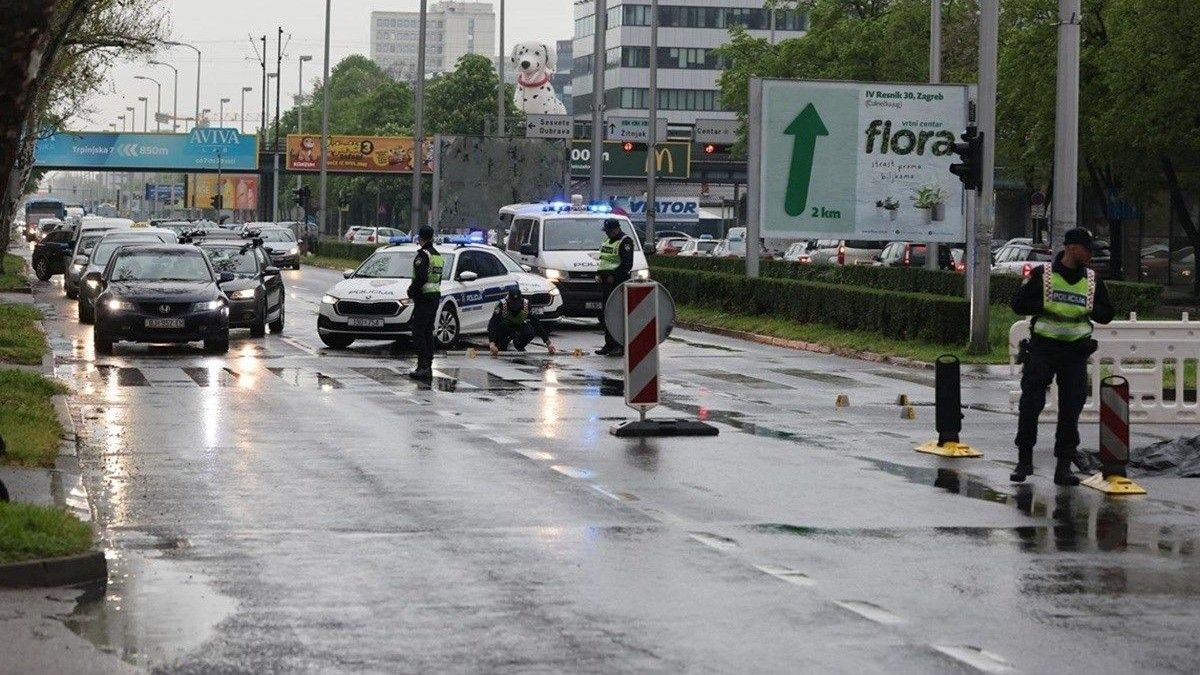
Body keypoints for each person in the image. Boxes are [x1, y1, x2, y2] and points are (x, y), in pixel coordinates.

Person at [1010, 227, 1115, 485]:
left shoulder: (1092, 280)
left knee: (1071, 409)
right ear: (1069, 247)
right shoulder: (1042, 275)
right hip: (1043, 349)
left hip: (1075, 352)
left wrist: (1088, 307)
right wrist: (1046, 305)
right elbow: (1017, 304)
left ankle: (1063, 467)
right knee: (1031, 405)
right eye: (1085, 248)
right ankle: (1024, 462)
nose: (1090, 254)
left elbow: (1107, 313)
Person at [408, 225, 443, 380]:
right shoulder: (437, 256)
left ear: (420, 238)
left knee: (418, 332)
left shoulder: (423, 255)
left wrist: (412, 291)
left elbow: (421, 277)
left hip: (424, 298)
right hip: (434, 296)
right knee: (427, 331)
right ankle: (427, 364)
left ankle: (423, 366)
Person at [595, 218, 634, 357]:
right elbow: (604, 260)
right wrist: (599, 274)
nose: (608, 234)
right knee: (606, 314)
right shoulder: (607, 241)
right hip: (606, 282)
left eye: (610, 231)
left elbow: (627, 264)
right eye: (606, 231)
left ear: (617, 229)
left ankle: (619, 345)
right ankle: (609, 344)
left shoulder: (625, 241)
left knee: (617, 315)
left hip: (618, 283)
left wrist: (615, 276)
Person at [488, 288, 556, 356]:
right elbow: (492, 324)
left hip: (519, 325)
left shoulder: (526, 305)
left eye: (517, 302)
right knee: (501, 348)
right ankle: (502, 344)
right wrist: (492, 344)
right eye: (512, 303)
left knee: (529, 331)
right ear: (508, 300)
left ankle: (519, 344)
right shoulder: (502, 305)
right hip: (504, 328)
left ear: (521, 300)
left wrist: (548, 344)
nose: (515, 306)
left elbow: (536, 323)